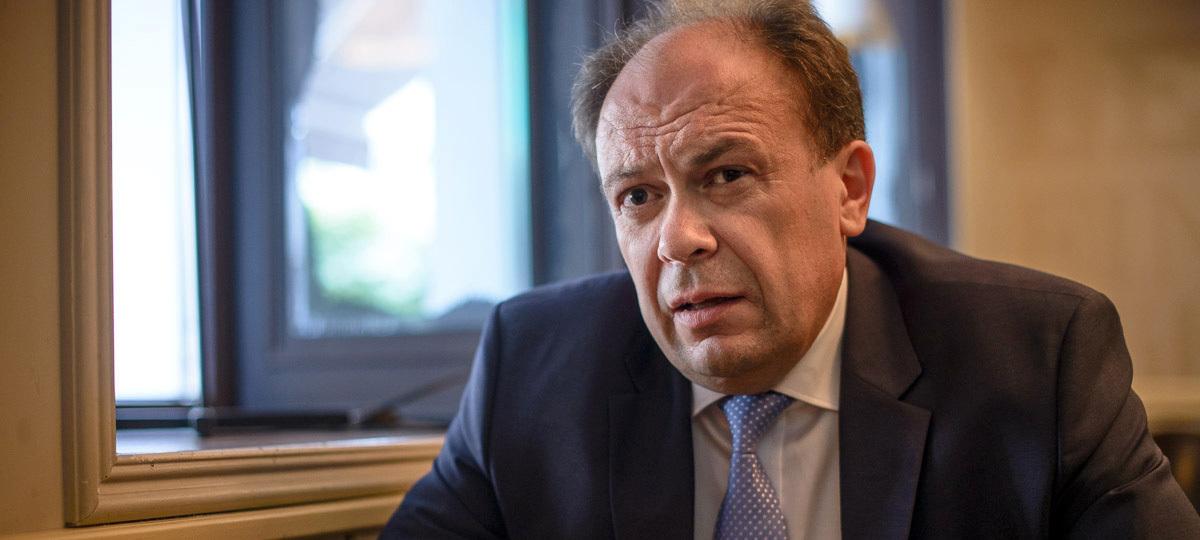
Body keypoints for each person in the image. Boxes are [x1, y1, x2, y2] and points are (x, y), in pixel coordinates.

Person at [382, 1, 1200, 537]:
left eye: (727, 175)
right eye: (638, 196)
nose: (677, 239)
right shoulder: (533, 366)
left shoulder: (1033, 358)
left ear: (849, 189)